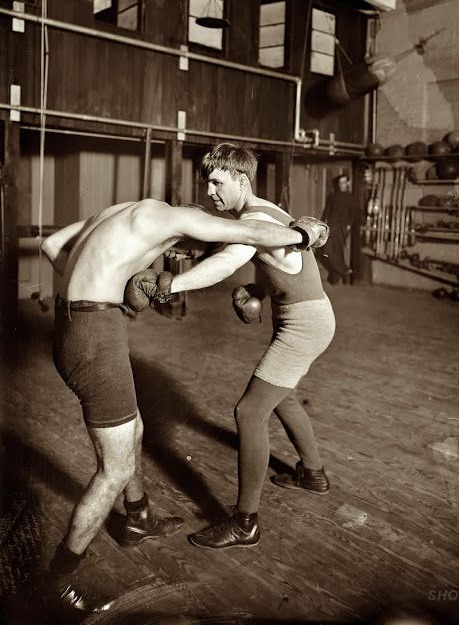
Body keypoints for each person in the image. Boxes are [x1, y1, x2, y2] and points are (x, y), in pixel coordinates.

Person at [40, 198, 326, 614]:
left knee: (133, 428)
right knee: (114, 469)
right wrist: (304, 235)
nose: (179, 257)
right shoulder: (177, 219)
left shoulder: (122, 210)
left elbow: (51, 245)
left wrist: (93, 292)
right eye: (186, 251)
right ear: (193, 231)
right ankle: (57, 581)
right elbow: (249, 233)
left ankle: (137, 517)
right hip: (95, 339)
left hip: (77, 325)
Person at [130, 144, 336, 549]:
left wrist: (173, 285)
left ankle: (245, 523)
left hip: (304, 325)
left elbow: (227, 262)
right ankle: (312, 473)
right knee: (283, 397)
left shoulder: (255, 219)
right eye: (207, 182)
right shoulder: (266, 210)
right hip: (306, 315)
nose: (210, 191)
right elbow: (286, 267)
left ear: (241, 180)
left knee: (248, 412)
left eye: (217, 182)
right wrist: (255, 289)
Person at [318, 172, 357, 285]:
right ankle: (344, 271)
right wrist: (323, 223)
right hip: (331, 226)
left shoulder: (350, 197)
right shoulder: (332, 196)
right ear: (338, 184)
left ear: (347, 183)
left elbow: (354, 213)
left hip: (342, 228)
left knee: (335, 251)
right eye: (340, 182)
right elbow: (326, 211)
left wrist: (349, 225)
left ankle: (338, 276)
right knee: (327, 251)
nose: (342, 184)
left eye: (344, 182)